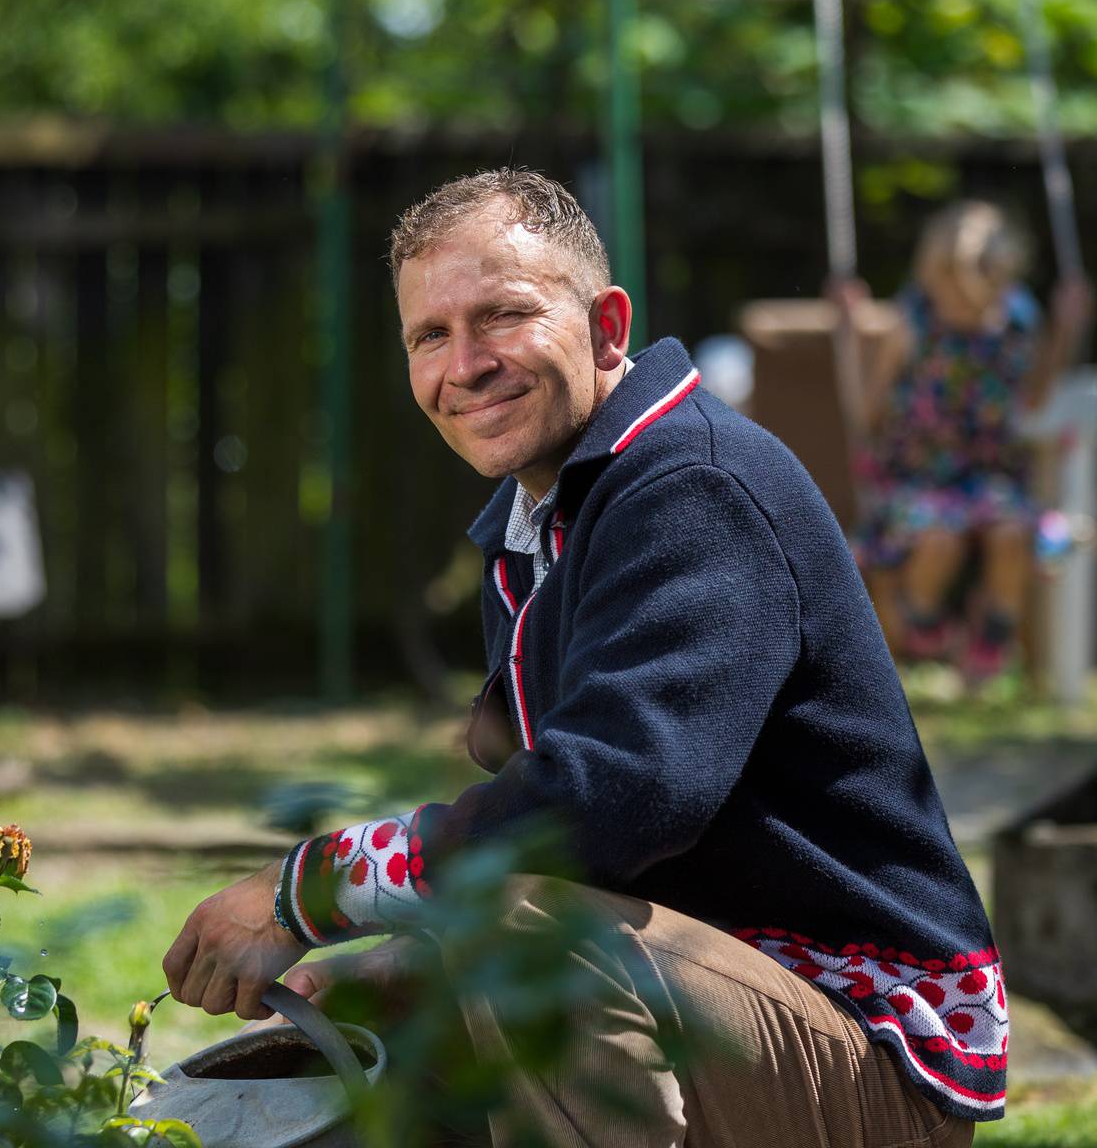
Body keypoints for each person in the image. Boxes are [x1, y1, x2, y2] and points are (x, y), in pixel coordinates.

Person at [163, 169, 1004, 1147]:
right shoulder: (541, 525)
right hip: (733, 996)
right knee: (402, 1005)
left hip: (873, 1051)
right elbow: (569, 847)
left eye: (504, 315)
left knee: (532, 941)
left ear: (607, 326)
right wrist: (413, 956)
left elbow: (613, 797)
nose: (465, 364)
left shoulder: (694, 487)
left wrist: (309, 889)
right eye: (429, 336)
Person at [836, 201, 1093, 685]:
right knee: (939, 539)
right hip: (916, 477)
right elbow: (867, 413)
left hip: (989, 475)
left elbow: (1033, 398)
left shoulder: (1017, 322)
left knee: (1013, 532)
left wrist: (1066, 331)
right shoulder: (910, 324)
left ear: (1000, 279)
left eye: (973, 285)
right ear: (931, 277)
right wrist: (850, 337)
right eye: (950, 283)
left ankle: (993, 635)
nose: (961, 300)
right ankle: (923, 619)